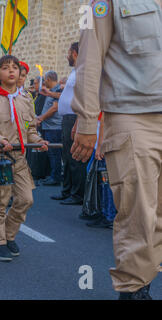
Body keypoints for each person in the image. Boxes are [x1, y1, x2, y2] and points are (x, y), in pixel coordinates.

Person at [71, 0, 162, 300]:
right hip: (132, 115)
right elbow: (89, 57)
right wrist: (87, 121)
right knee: (139, 212)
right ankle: (134, 290)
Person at [0, 55, 48, 261]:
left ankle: (8, 234)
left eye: (14, 68)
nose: (11, 71)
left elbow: (29, 128)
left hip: (20, 159)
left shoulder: (25, 99)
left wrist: (38, 140)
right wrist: (0, 138)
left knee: (26, 199)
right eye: (5, 68)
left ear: (20, 73)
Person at [51, 42, 87, 206]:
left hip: (74, 118)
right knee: (66, 156)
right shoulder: (74, 71)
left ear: (74, 53)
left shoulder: (83, 70)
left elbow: (83, 98)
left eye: (68, 52)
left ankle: (77, 194)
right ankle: (67, 190)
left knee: (75, 157)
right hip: (67, 118)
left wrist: (77, 121)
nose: (66, 56)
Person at [36, 71, 63, 186]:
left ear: (48, 79)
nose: (44, 82)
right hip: (49, 126)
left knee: (54, 153)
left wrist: (41, 118)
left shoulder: (57, 90)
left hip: (54, 127)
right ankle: (52, 175)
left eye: (45, 79)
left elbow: (54, 108)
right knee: (51, 153)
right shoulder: (51, 91)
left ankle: (55, 178)